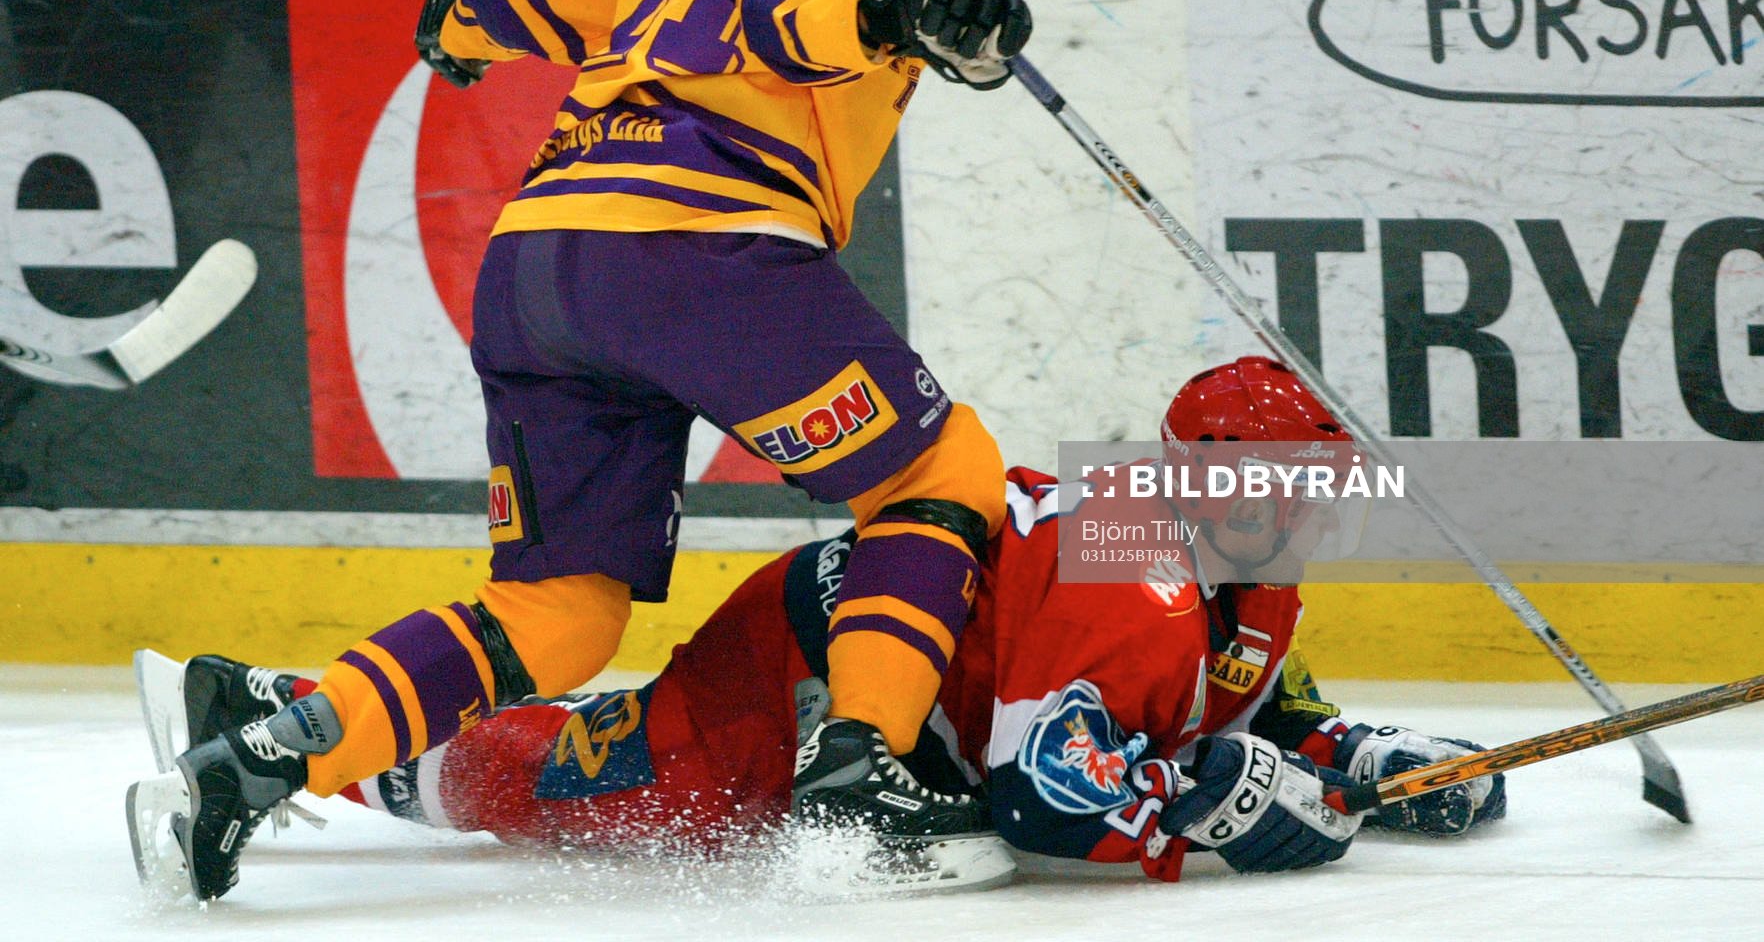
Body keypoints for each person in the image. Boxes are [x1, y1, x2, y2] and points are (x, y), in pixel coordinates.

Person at [131, 0, 1069, 903]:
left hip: (540, 265)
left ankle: (253, 755)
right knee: (940, 475)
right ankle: (862, 781)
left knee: (559, 614)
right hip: (703, 251)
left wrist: (461, 23)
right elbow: (798, 4)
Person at [129, 358, 1505, 898]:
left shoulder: (1236, 569)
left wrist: (1358, 762)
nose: (1315, 515)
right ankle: (286, 720)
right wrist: (1245, 822)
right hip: (812, 659)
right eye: (1295, 488)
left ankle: (297, 718)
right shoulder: (1133, 580)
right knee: (584, 793)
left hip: (935, 686)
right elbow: (1045, 802)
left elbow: (1242, 717)